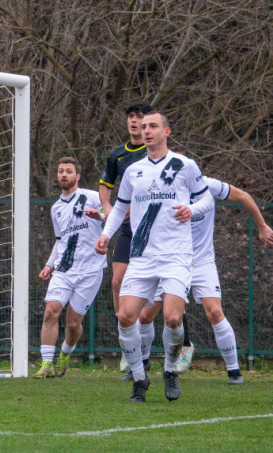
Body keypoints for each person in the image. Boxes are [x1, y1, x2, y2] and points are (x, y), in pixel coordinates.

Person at [95, 110, 214, 403]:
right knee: (125, 317)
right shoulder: (133, 170)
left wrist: (192, 210)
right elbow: (120, 209)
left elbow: (207, 199)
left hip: (176, 255)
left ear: (166, 132)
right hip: (142, 256)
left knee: (173, 319)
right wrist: (106, 234)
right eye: (144, 126)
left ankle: (170, 369)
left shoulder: (184, 165)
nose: (146, 130)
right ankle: (139, 379)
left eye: (153, 126)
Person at [128, 177, 273, 384]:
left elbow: (243, 195)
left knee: (214, 311)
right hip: (172, 261)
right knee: (145, 316)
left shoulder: (207, 184)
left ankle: (234, 371)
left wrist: (262, 226)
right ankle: (143, 364)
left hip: (202, 261)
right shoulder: (160, 188)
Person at [34, 157, 107, 378]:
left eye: (68, 171)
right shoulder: (56, 208)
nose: (63, 175)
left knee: (73, 322)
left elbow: (114, 219)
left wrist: (101, 217)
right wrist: (49, 265)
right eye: (60, 171)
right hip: (64, 269)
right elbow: (60, 240)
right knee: (50, 312)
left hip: (90, 271)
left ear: (77, 176)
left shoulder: (93, 197)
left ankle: (65, 354)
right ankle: (46, 363)